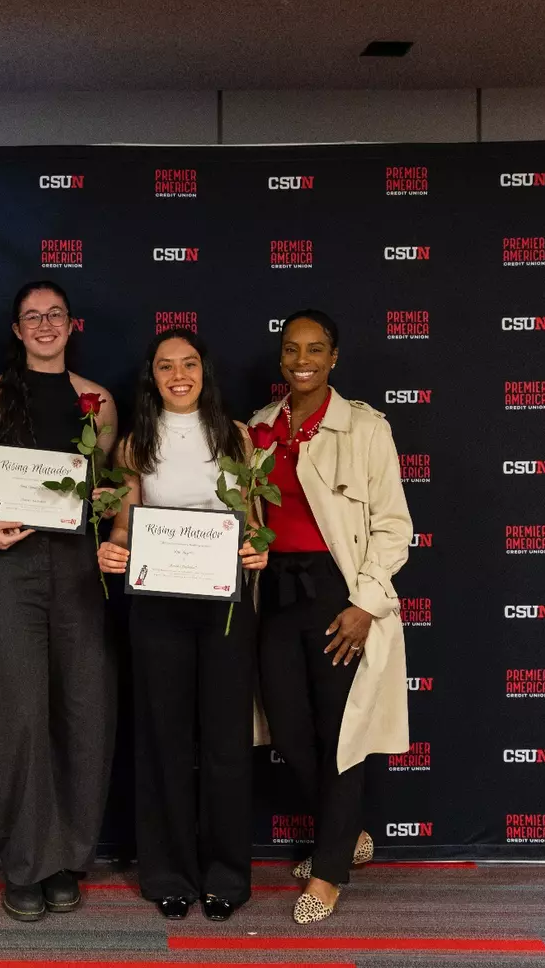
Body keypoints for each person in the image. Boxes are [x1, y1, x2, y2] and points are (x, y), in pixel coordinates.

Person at [0, 279, 119, 922]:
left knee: (84, 710)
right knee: (16, 714)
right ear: (17, 330)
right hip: (8, 565)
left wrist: (107, 504)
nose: (45, 324)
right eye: (33, 316)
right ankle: (26, 863)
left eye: (55, 314)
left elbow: (109, 486)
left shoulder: (97, 400)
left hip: (79, 567)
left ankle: (68, 858)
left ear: (72, 325)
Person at [247, 309, 412, 924]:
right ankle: (346, 835)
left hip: (337, 593)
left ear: (334, 357)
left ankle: (329, 869)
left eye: (315, 349)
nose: (302, 360)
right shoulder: (259, 428)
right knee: (291, 733)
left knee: (343, 734)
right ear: (280, 357)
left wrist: (364, 604)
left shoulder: (366, 428)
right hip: (277, 594)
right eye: (292, 349)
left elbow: (393, 526)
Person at [96, 329, 268, 922]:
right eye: (166, 366)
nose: (178, 375)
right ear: (152, 376)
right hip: (158, 602)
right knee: (163, 739)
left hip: (225, 603)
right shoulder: (135, 443)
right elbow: (125, 524)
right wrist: (114, 549)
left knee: (225, 742)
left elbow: (252, 520)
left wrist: (258, 548)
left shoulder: (236, 436)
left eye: (188, 364)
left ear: (204, 371)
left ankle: (226, 876)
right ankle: (169, 874)